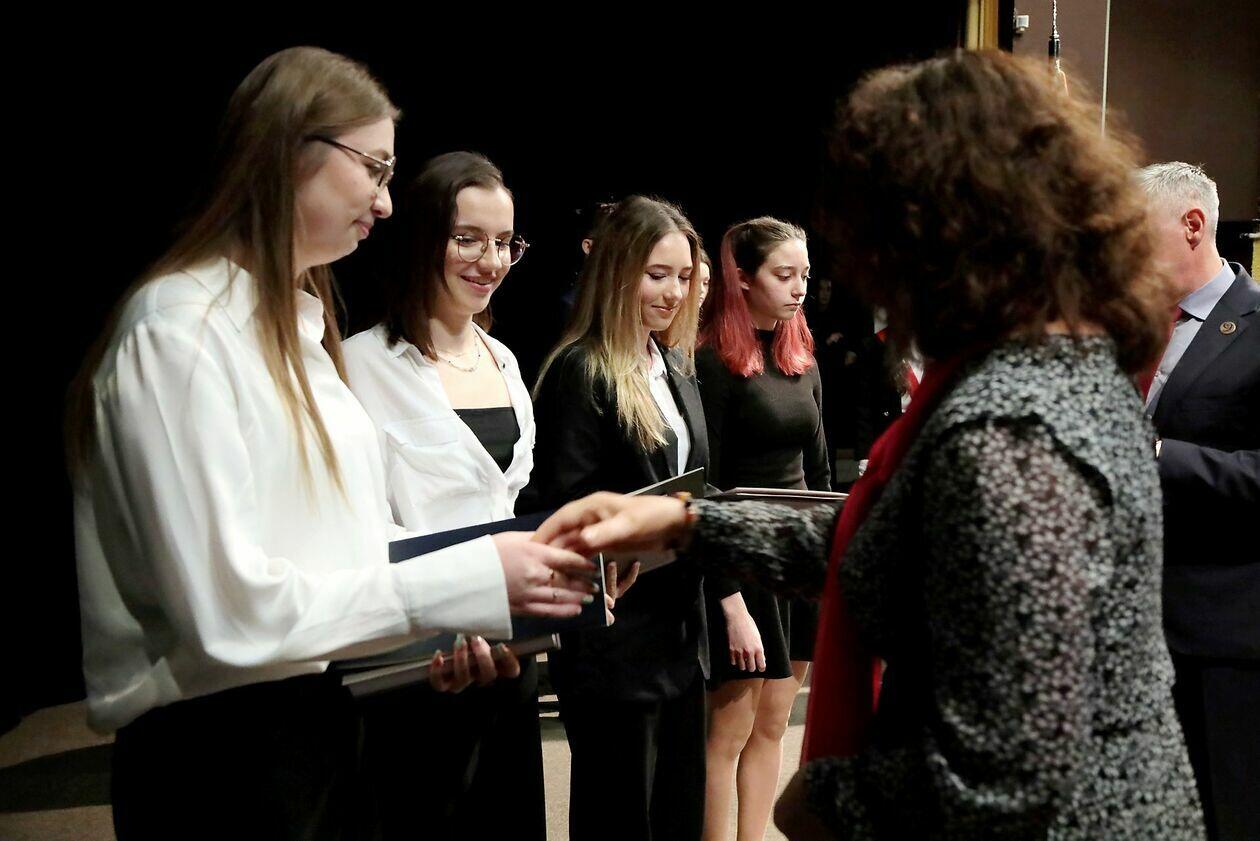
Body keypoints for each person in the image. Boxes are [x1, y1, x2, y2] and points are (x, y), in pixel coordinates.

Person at [534, 50, 1206, 840]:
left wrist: (825, 802)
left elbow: (1013, 770)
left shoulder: (1012, 431)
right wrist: (689, 525)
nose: (862, 265)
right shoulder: (1053, 362)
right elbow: (903, 544)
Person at [64, 48, 594, 841]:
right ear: (289, 151)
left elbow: (344, 553)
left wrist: (487, 599)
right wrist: (474, 577)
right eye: (374, 169)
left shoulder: (300, 336)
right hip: (221, 756)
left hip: (321, 724)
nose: (385, 202)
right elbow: (229, 615)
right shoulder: (180, 333)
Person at [342, 151, 547, 840]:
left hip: (509, 650)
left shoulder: (506, 361)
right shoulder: (360, 364)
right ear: (423, 236)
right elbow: (362, 528)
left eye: (505, 242)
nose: (491, 261)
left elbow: (509, 511)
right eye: (468, 239)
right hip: (418, 661)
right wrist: (451, 606)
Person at [525, 195, 710, 841]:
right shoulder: (581, 369)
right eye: (657, 275)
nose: (674, 292)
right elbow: (561, 505)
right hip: (614, 635)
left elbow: (695, 483)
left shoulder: (675, 365)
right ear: (616, 273)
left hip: (680, 633)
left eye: (683, 276)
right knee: (620, 816)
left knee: (679, 812)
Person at [695, 217, 829, 841]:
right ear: (743, 279)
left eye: (804, 274)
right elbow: (707, 487)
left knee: (775, 724)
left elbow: (820, 475)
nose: (799, 287)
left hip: (797, 557)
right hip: (742, 559)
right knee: (729, 732)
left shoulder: (802, 356)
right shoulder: (712, 362)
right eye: (784, 275)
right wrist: (731, 601)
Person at [1137, 161, 1259, 841]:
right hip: (1138, 632)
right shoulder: (1129, 330)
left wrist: (1162, 457)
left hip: (1224, 644)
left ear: (1192, 225)